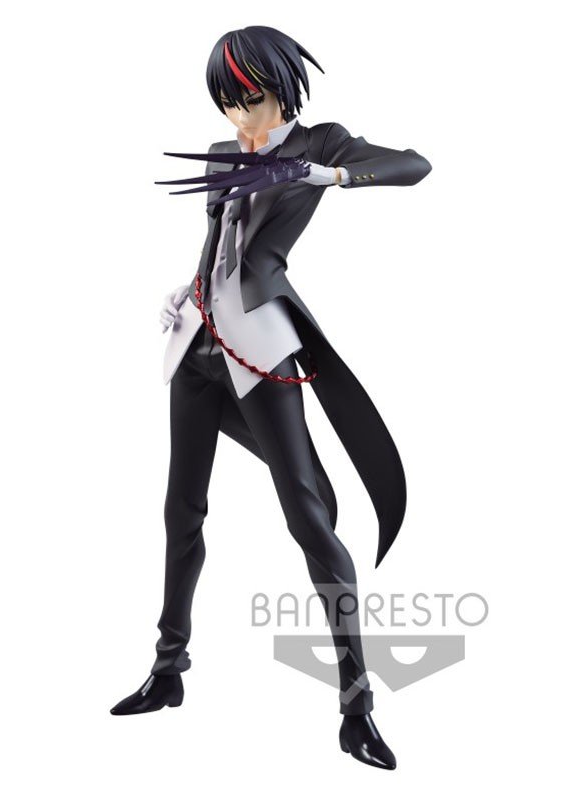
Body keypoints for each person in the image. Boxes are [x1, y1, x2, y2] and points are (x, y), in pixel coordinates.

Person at [110, 25, 431, 770]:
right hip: (197, 342)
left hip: (259, 345)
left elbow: (414, 165)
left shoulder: (318, 142)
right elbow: (219, 240)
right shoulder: (221, 153)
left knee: (308, 519)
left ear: (281, 90)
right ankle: (168, 671)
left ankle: (358, 708)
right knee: (181, 509)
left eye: (249, 100)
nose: (239, 118)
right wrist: (189, 288)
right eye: (227, 103)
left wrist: (332, 175)